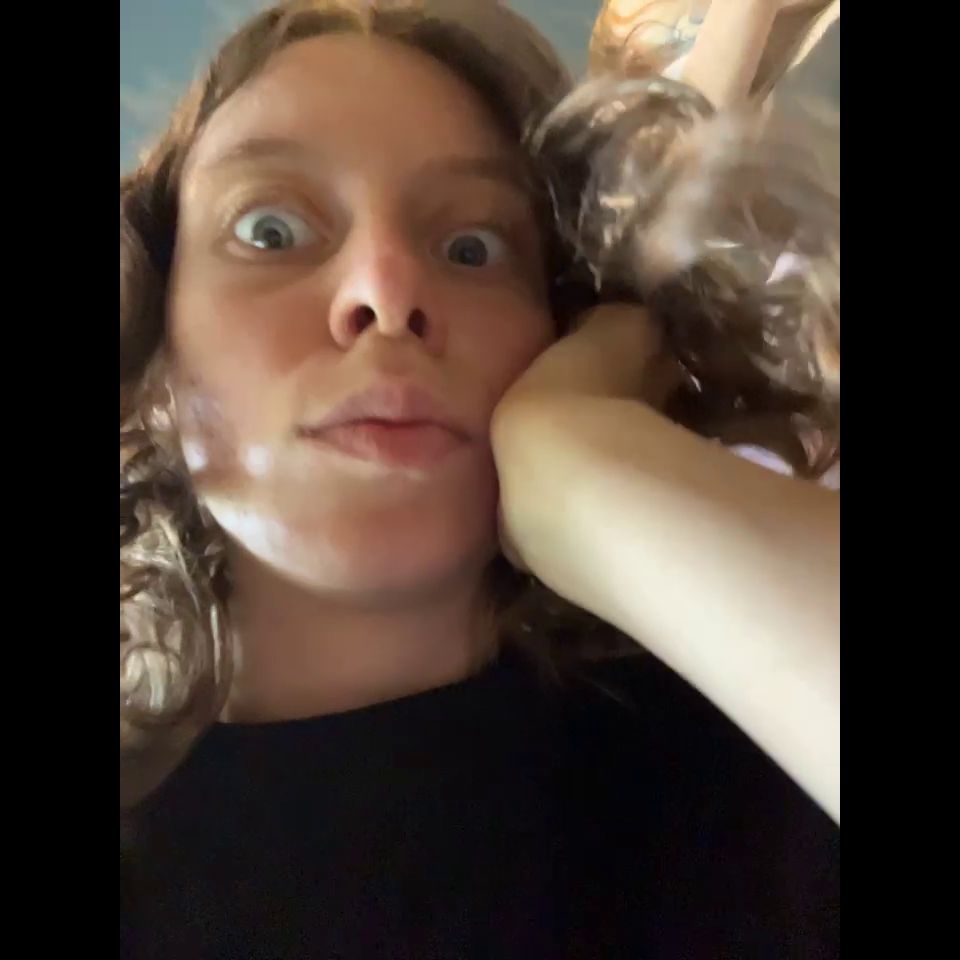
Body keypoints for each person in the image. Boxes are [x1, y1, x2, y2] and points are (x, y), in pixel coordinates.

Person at [119, 1, 839, 957]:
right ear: (153, 364)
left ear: (560, 333)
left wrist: (584, 465)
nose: (384, 292)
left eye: (472, 248)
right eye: (270, 228)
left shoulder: (761, 736)